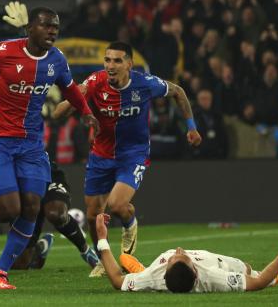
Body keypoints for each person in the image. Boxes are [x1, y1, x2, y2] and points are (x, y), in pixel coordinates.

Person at [0, 7, 99, 289]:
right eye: (46, 26)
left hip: (32, 144)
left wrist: (85, 111)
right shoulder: (3, 52)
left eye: (56, 27)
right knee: (9, 209)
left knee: (31, 207)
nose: (52, 31)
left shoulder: (57, 60)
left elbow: (70, 88)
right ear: (30, 29)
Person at [54, 41, 202, 277]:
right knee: (92, 215)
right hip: (101, 154)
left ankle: (129, 224)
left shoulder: (145, 83)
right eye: (107, 60)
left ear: (129, 64)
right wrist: (75, 98)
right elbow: (58, 113)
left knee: (117, 205)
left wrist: (191, 127)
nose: (110, 65)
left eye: (117, 60)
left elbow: (179, 92)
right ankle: (104, 259)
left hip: (133, 154)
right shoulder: (94, 83)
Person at [94, 213, 278, 293]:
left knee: (133, 269)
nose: (179, 249)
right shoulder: (215, 278)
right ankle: (277, 278)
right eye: (182, 255)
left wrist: (102, 238)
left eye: (172, 258)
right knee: (251, 271)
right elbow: (259, 282)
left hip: (150, 274)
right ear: (195, 271)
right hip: (218, 262)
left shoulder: (155, 276)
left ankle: (140, 269)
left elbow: (116, 280)